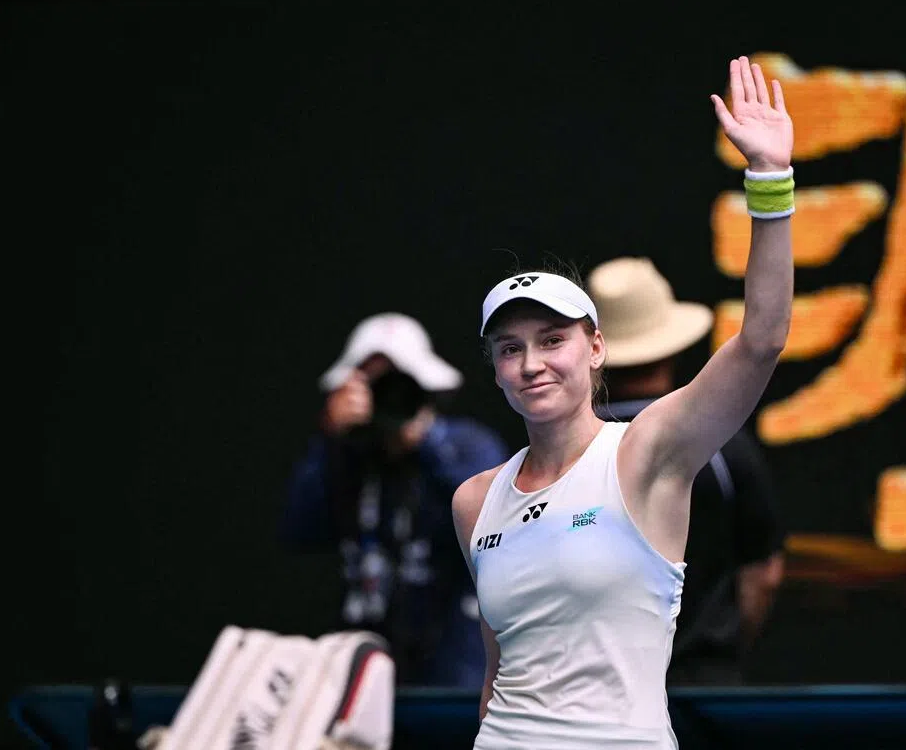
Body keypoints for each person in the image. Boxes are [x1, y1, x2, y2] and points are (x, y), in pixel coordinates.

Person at [452, 56, 794, 748]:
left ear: (596, 349)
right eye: (510, 349)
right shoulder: (474, 501)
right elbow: (499, 675)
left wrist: (769, 181)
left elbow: (761, 339)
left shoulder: (647, 452)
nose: (532, 362)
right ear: (495, 372)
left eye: (553, 339)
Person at [587, 256, 785, 686]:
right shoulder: (723, 445)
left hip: (595, 695)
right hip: (702, 687)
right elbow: (763, 573)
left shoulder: (562, 450)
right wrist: (722, 651)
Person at [284, 312, 509, 688]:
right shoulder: (345, 460)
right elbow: (297, 530)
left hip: (454, 666)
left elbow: (496, 524)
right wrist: (331, 441)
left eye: (401, 383)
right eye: (376, 385)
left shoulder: (467, 445)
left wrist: (426, 444)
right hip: (363, 662)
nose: (389, 395)